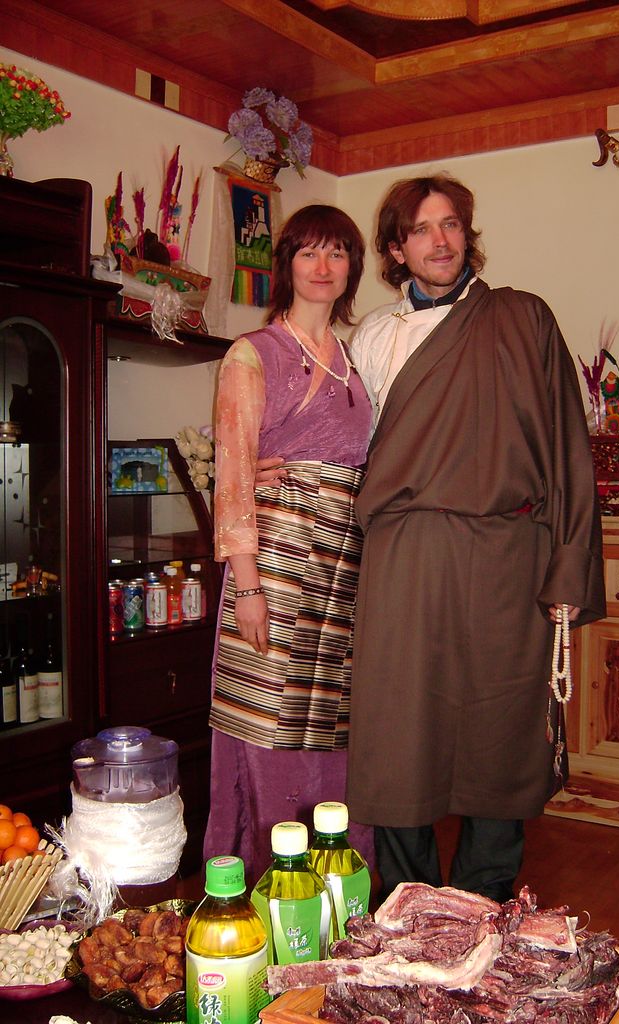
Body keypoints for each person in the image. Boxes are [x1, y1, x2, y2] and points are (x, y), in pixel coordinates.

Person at [344, 174, 606, 902]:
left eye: (452, 224)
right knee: (400, 731)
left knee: (503, 729)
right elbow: (347, 448)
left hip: (504, 555)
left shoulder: (524, 320)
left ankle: (483, 906)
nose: (441, 240)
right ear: (397, 247)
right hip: (405, 555)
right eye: (423, 229)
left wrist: (568, 568)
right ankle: (408, 908)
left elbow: (567, 450)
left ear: (468, 233)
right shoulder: (373, 336)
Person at [203, 204, 374, 884]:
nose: (323, 267)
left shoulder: (353, 360)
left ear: (352, 267)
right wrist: (247, 587)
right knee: (269, 729)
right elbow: (235, 472)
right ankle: (267, 890)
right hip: (272, 563)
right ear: (287, 265)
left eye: (337, 253)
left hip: (340, 570)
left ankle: (338, 892)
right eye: (309, 253)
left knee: (331, 732)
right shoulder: (252, 354)